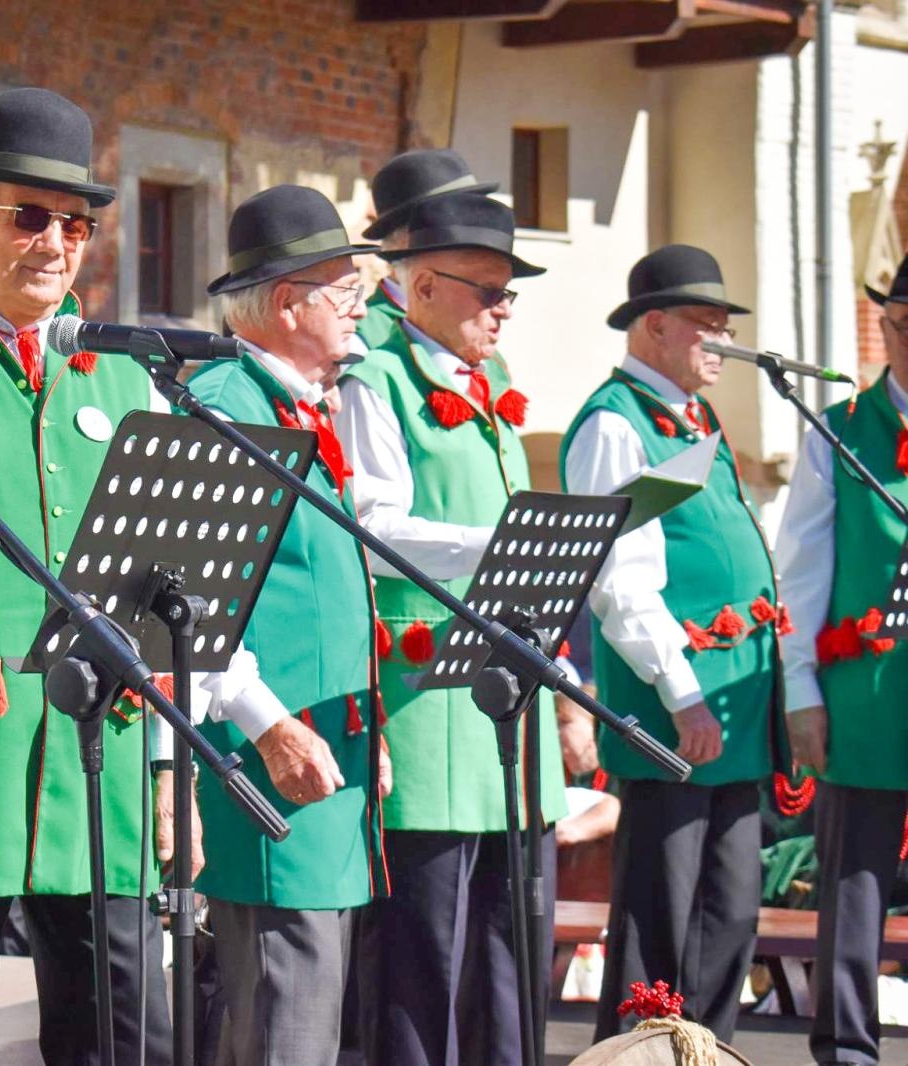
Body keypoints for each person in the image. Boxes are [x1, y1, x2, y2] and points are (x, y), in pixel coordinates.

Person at [0, 87, 326, 1066]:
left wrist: (214, 745)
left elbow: (167, 587)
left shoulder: (120, 373)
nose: (56, 242)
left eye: (76, 223)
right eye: (29, 216)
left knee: (129, 1036)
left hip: (96, 771)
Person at [334, 191, 565, 1066]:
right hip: (428, 709)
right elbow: (372, 524)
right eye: (488, 291)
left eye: (511, 293)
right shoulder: (375, 376)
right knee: (423, 965)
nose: (503, 309)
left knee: (511, 963)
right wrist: (502, 541)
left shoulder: (493, 383)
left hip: (507, 703)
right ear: (423, 285)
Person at [561, 244, 788, 1044]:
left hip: (734, 706)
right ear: (654, 325)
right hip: (674, 712)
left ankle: (709, 1054)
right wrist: (682, 691)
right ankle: (640, 1058)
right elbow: (618, 579)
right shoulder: (613, 424)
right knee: (661, 915)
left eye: (726, 327)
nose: (721, 343)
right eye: (706, 326)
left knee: (727, 913)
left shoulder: (692, 417)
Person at [186, 184, 388, 1066]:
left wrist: (365, 724)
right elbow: (197, 603)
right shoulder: (228, 401)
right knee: (285, 1018)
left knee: (310, 1013)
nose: (359, 308)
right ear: (284, 303)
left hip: (323, 751)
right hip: (271, 755)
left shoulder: (298, 400)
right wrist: (272, 728)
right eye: (342, 289)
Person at [778, 254, 908, 1066]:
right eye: (898, 323)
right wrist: (799, 689)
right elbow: (800, 569)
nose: (903, 337)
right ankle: (847, 1050)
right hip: (863, 687)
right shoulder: (839, 427)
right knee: (854, 882)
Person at [352, 149, 497, 356]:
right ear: (409, 239)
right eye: (459, 225)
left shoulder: (476, 327)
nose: (476, 237)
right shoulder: (360, 340)